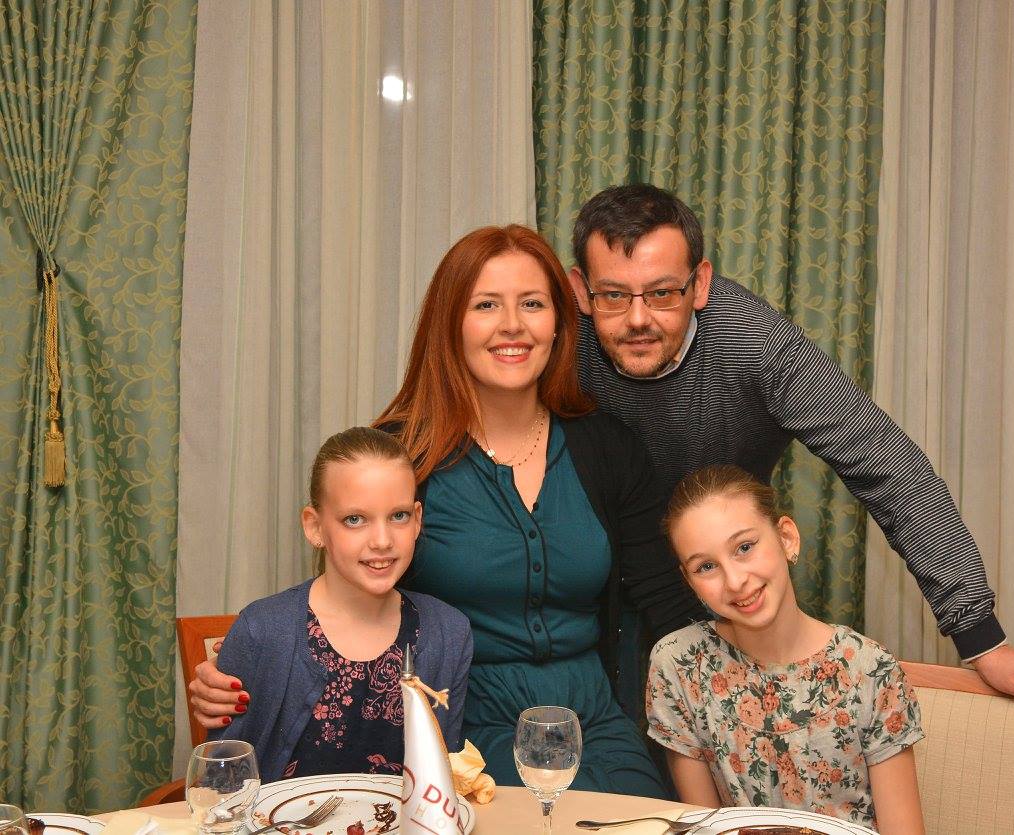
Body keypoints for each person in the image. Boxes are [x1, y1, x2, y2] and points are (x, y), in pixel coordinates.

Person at [195, 226, 705, 796]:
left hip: (598, 720)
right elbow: (344, 593)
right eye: (486, 305)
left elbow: (667, 602)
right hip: (460, 729)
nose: (512, 325)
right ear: (451, 324)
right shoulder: (403, 452)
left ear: (560, 323)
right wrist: (240, 673)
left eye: (532, 304)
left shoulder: (608, 448)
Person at [567, 183, 1014, 704]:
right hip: (587, 580)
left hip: (720, 585)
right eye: (613, 295)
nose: (637, 319)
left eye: (663, 293)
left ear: (701, 283)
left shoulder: (757, 343)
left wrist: (981, 637)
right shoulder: (559, 338)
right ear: (580, 291)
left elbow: (891, 468)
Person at [647, 465, 924, 833]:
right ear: (689, 580)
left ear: (787, 538)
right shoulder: (679, 664)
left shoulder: (871, 669)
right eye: (706, 566)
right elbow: (705, 826)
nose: (735, 581)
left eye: (745, 547)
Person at [208, 426, 473, 782]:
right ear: (315, 527)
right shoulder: (262, 630)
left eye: (398, 516)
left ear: (418, 519)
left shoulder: (449, 633)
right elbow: (220, 785)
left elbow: (448, 779)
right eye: (355, 519)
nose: (382, 540)